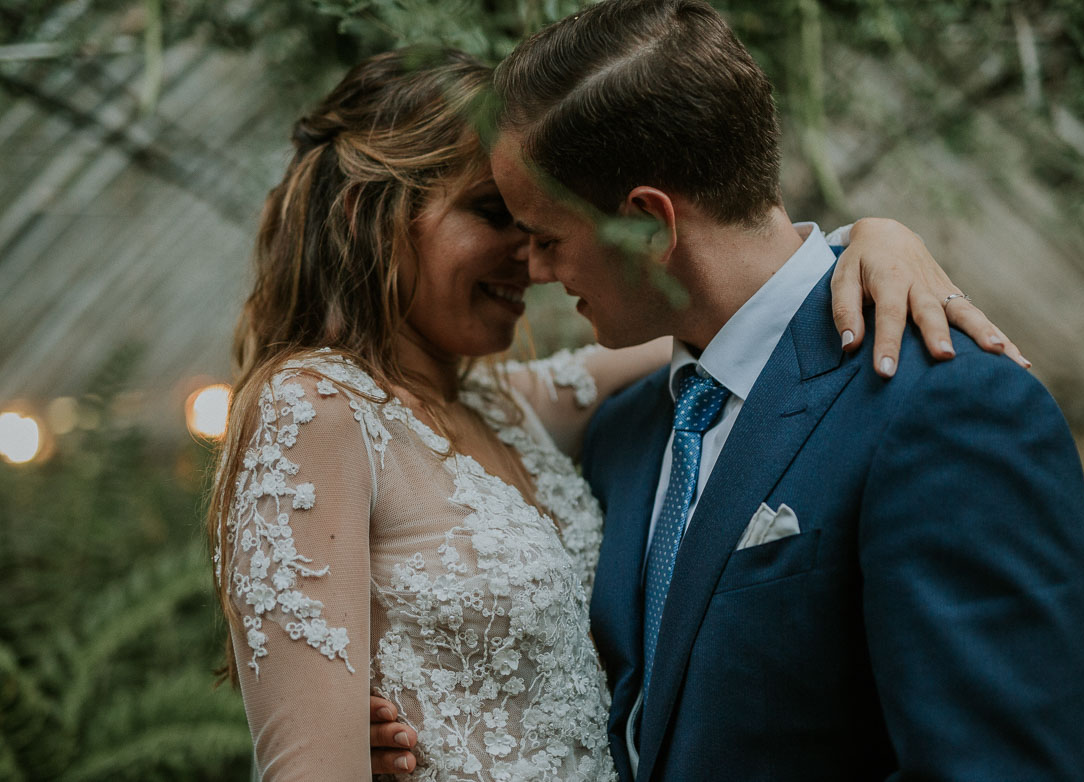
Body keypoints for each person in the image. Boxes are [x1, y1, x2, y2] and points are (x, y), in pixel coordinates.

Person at [209, 47, 1026, 780]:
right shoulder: (313, 409)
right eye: (495, 216)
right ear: (367, 214)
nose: (528, 262)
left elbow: (737, 305)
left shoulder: (509, 407)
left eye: (536, 227)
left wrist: (872, 242)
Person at [481, 1, 1084, 780]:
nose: (533, 272)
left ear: (647, 223)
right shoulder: (624, 430)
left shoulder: (947, 406)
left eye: (547, 238)